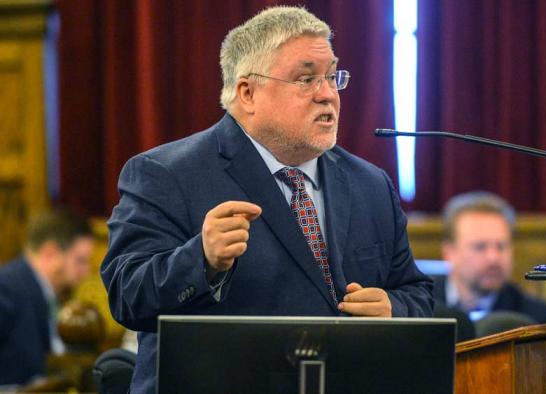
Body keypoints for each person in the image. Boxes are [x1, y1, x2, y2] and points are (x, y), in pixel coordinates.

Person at [100, 6, 433, 393]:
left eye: (331, 77)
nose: (328, 94)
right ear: (248, 92)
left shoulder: (370, 183)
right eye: (306, 79)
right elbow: (127, 297)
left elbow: (416, 291)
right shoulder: (165, 174)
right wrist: (201, 260)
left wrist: (395, 309)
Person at [0, 209, 94, 386]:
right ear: (50, 253)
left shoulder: (46, 293)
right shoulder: (6, 289)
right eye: (80, 260)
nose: (86, 272)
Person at [434, 191, 546, 327]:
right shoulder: (419, 306)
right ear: (449, 252)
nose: (493, 258)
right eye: (480, 247)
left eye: (501, 246)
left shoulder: (532, 317)